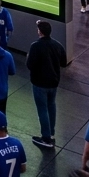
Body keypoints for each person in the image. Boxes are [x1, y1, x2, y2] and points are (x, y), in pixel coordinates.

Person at [26, 19, 67, 149]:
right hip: (53, 83)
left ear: (40, 32)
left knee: (42, 109)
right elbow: (64, 63)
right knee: (51, 106)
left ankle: (46, 138)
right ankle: (52, 133)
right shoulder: (58, 45)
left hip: (39, 83)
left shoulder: (35, 46)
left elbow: (30, 65)